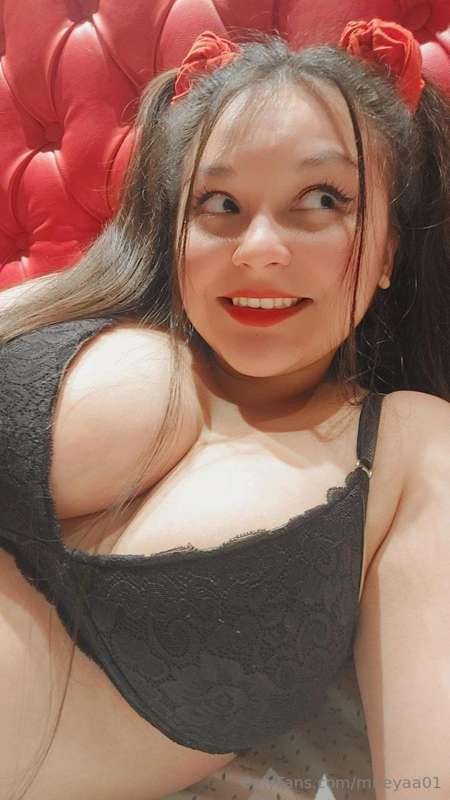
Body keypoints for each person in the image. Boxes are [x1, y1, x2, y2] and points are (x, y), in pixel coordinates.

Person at [0, 18, 449, 800]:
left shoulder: (411, 447)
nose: (259, 248)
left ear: (388, 251)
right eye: (219, 203)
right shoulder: (74, 322)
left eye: (322, 199)